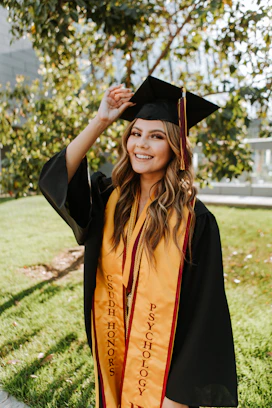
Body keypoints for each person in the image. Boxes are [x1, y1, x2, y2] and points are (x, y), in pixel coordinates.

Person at [39, 76, 238, 408]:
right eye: (136, 134)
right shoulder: (108, 200)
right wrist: (101, 120)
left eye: (156, 136)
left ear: (176, 146)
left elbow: (206, 313)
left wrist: (176, 396)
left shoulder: (195, 221)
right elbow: (55, 178)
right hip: (115, 354)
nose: (141, 145)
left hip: (168, 376)